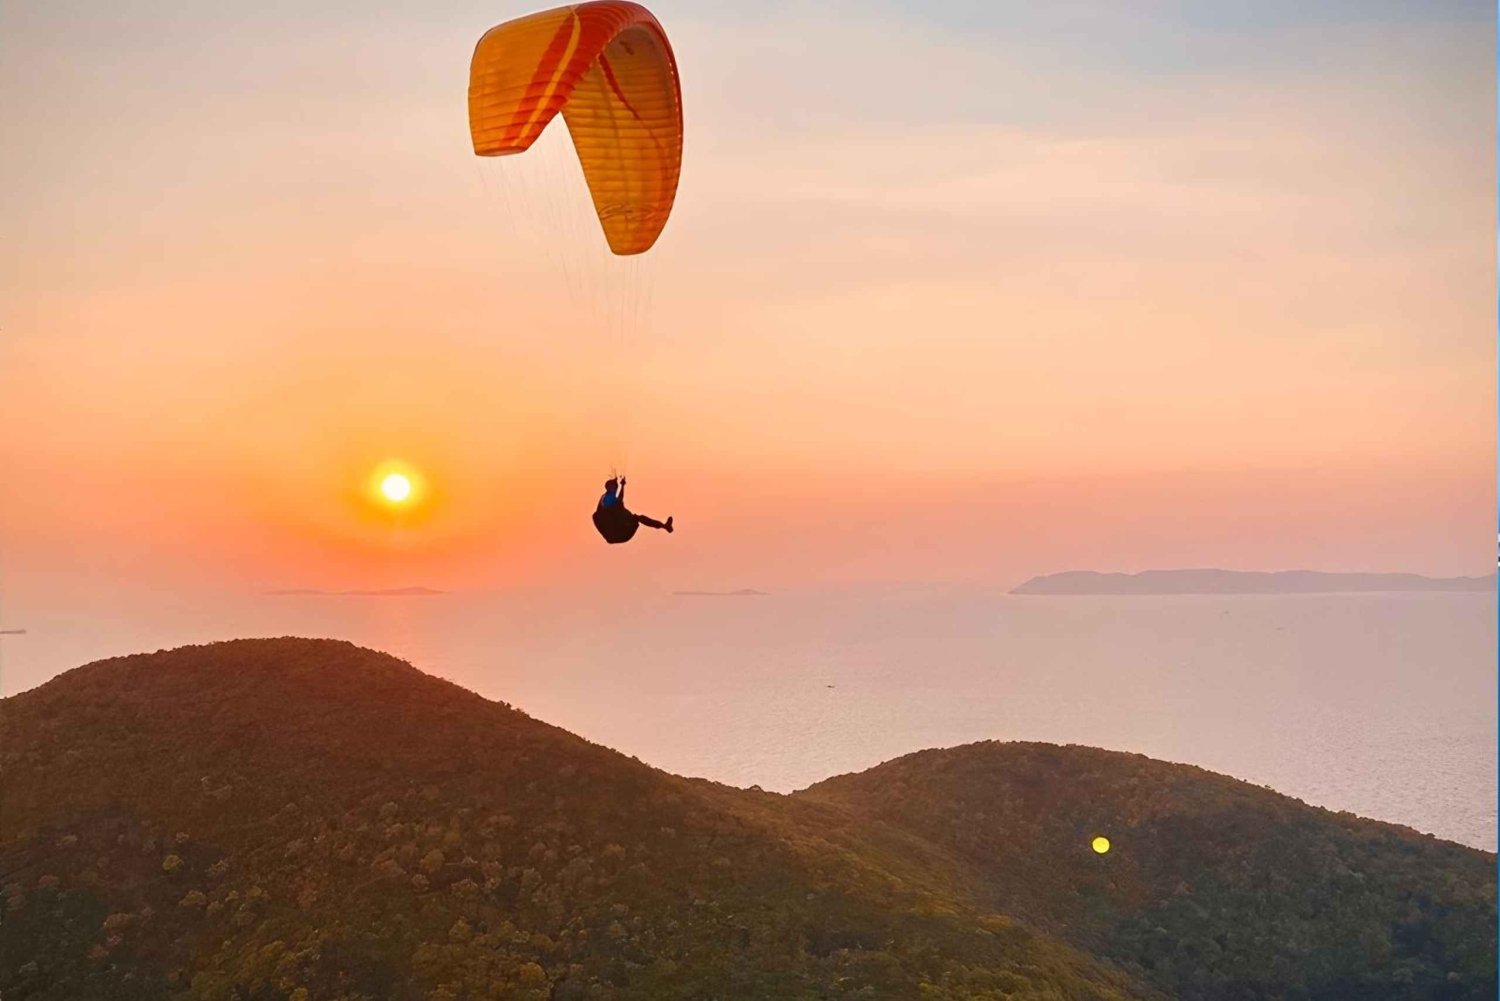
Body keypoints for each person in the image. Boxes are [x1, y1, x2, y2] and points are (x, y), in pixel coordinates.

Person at [592, 476, 673, 544]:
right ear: (610, 487)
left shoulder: (610, 498)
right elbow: (616, 501)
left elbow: (619, 499)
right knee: (636, 517)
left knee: (637, 517)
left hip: (618, 532)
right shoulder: (607, 499)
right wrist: (621, 485)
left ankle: (664, 526)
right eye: (615, 486)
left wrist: (622, 486)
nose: (616, 488)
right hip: (618, 532)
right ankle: (664, 526)